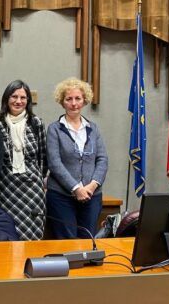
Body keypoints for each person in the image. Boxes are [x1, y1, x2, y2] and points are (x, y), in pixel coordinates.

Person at [46, 77, 108, 239]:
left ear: (84, 100)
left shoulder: (93, 128)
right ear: (62, 102)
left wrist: (92, 186)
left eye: (78, 99)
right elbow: (54, 163)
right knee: (67, 240)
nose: (74, 103)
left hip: (92, 195)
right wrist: (76, 188)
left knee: (88, 239)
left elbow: (102, 159)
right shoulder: (54, 129)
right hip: (61, 196)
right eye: (69, 99)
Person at [0, 80, 48, 240]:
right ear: (6, 99)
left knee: (32, 234)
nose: (18, 101)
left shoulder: (36, 123)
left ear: (28, 101)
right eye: (14, 96)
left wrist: (37, 178)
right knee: (8, 234)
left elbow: (43, 158)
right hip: (6, 189)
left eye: (23, 97)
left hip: (32, 189)